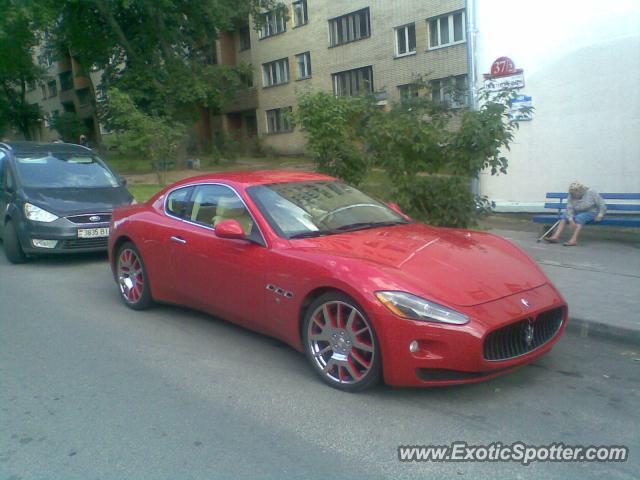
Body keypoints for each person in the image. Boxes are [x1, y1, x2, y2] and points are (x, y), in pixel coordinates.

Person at [545, 181, 606, 246]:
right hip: (577, 211)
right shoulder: (571, 195)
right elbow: (569, 208)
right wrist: (571, 219)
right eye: (572, 193)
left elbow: (602, 204)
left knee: (580, 217)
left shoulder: (591, 192)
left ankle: (573, 240)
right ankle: (556, 237)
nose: (573, 195)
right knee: (564, 216)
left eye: (574, 193)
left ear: (580, 190)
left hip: (591, 212)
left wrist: (601, 214)